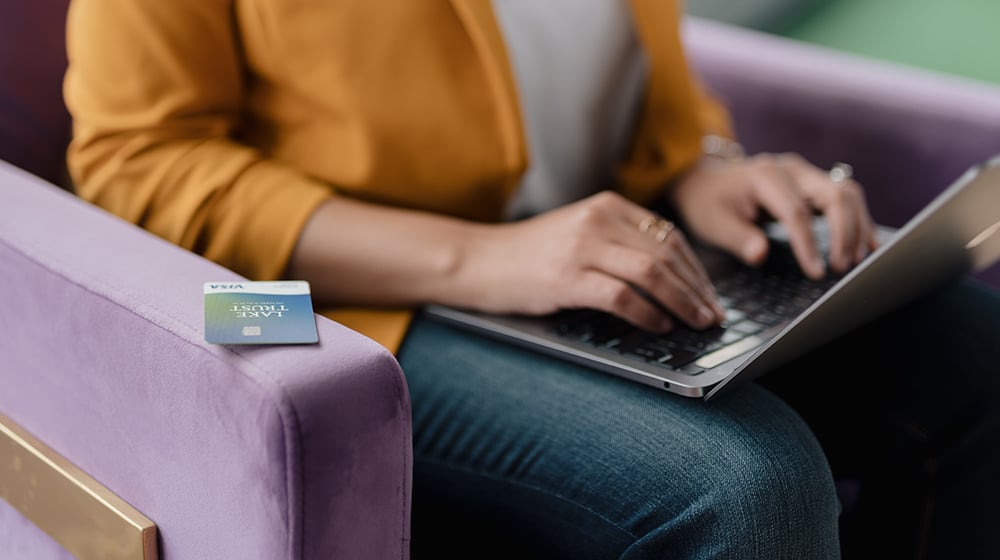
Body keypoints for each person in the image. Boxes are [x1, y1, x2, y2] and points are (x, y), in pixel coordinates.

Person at [63, 0, 1000, 558]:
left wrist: (700, 164)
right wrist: (483, 257)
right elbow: (134, 162)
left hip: (600, 250)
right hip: (307, 305)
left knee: (973, 357)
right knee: (749, 484)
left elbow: (634, 61)